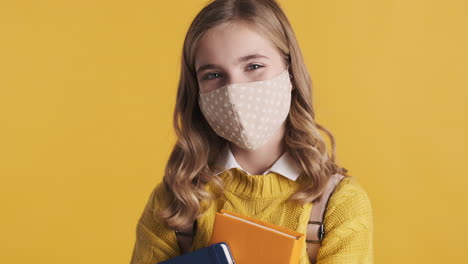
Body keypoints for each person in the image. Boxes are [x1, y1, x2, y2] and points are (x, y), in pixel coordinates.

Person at [130, 0, 373, 263]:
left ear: (290, 72)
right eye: (213, 75)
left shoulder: (339, 204)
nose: (235, 91)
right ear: (196, 91)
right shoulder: (175, 200)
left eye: (253, 66)